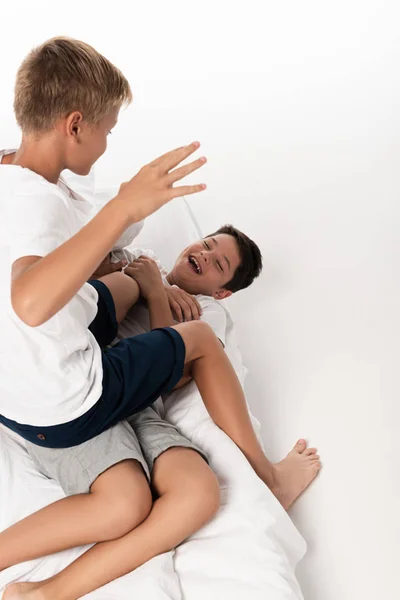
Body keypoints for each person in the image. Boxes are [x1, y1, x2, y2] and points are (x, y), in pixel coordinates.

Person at [0, 37, 320, 600]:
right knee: (179, 329)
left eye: (216, 262)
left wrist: (139, 272)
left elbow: (75, 263)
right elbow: (29, 300)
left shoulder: (18, 177)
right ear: (75, 126)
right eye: (107, 129)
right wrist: (128, 217)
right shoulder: (44, 207)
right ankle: (267, 478)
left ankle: (44, 592)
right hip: (66, 397)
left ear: (224, 288)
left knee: (179, 490)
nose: (107, 142)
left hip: (29, 390)